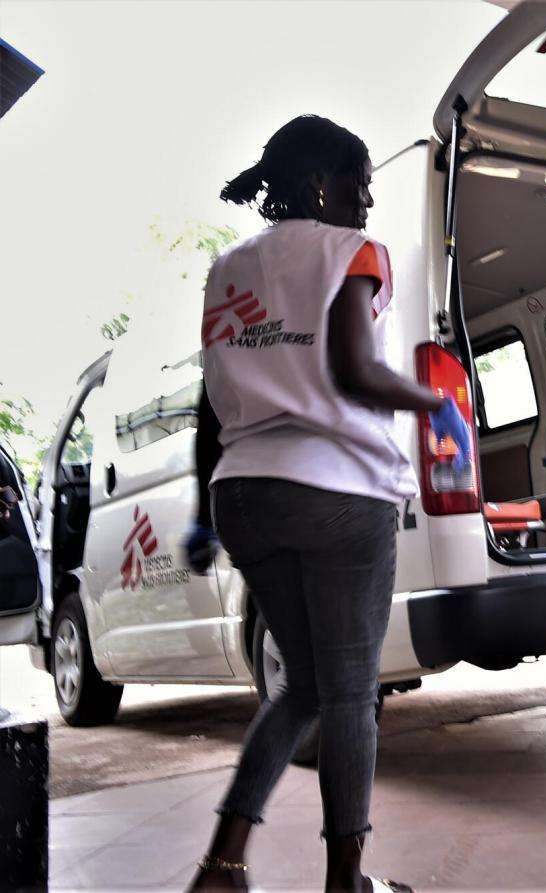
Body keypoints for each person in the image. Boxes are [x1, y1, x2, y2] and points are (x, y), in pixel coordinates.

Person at [185, 115, 469, 893]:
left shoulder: (226, 272)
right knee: (349, 691)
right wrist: (434, 401)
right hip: (338, 492)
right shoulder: (352, 252)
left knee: (304, 683)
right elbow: (351, 371)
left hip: (245, 494)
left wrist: (200, 509)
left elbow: (209, 409)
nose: (370, 200)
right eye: (360, 183)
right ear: (322, 185)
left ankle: (223, 863)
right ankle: (347, 879)